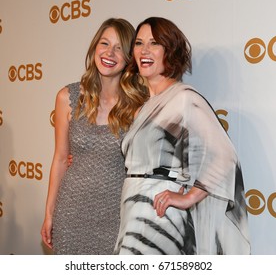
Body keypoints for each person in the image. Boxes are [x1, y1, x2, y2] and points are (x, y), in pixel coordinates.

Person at [113, 17, 251, 255]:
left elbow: (224, 156)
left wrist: (189, 198)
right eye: (138, 43)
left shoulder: (184, 98)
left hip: (159, 215)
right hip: (134, 209)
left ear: (170, 51)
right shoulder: (143, 105)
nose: (144, 50)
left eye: (154, 43)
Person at [40, 18, 148, 254]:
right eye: (105, 43)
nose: (110, 52)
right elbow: (60, 159)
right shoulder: (67, 97)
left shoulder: (140, 106)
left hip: (117, 217)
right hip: (71, 213)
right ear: (94, 48)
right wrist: (49, 213)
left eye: (119, 47)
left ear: (130, 58)